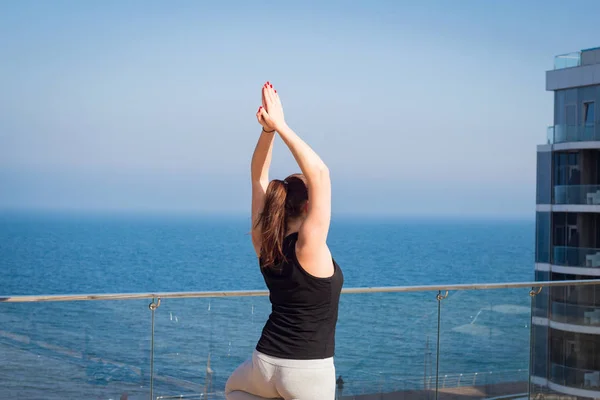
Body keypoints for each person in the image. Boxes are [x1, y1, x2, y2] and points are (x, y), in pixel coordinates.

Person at [225, 82, 344, 400]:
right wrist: (281, 126)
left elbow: (258, 178)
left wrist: (267, 133)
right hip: (307, 373)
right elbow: (320, 173)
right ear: (308, 207)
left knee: (234, 389)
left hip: (264, 364)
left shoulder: (264, 243)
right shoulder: (310, 245)